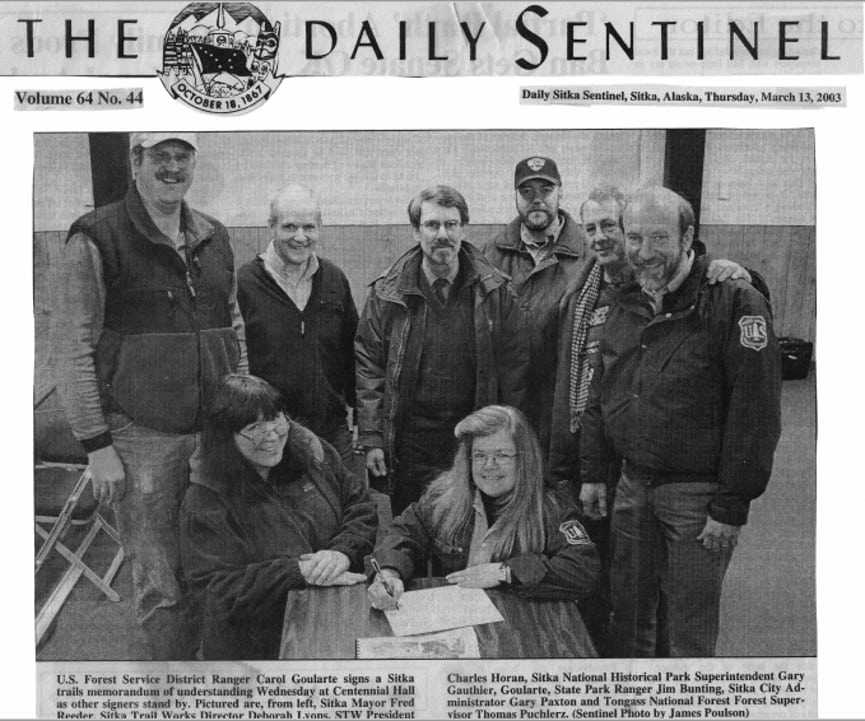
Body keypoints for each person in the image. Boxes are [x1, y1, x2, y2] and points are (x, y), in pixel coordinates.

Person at [51, 132, 247, 660]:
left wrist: (244, 407)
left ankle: (217, 678)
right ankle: (172, 688)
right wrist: (97, 446)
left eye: (182, 155)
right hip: (142, 441)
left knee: (219, 561)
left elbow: (232, 326)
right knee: (161, 580)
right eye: (160, 155)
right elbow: (71, 349)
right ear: (136, 160)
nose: (172, 166)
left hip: (214, 432)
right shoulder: (96, 237)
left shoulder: (214, 235)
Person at [579, 186, 782, 657]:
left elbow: (756, 414)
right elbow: (599, 394)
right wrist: (593, 472)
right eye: (634, 238)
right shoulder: (624, 300)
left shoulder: (733, 300)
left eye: (659, 238)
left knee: (689, 631)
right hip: (633, 487)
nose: (643, 252)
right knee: (629, 621)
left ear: (688, 235)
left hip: (698, 498)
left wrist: (730, 507)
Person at [355, 185, 528, 516]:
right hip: (409, 443)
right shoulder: (387, 294)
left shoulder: (496, 292)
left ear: (464, 228)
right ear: (416, 231)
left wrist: (508, 438)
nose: (442, 235)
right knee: (412, 531)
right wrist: (372, 437)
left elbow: (515, 369)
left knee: (471, 530)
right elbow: (369, 366)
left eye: (451, 224)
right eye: (432, 225)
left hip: (474, 442)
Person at [179, 375, 377, 660]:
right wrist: (297, 572)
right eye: (254, 427)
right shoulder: (205, 500)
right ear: (225, 436)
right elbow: (216, 590)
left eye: (275, 419)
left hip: (335, 613)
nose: (272, 435)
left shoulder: (312, 451)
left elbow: (360, 505)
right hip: (260, 646)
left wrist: (342, 552)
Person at [367, 405, 600, 609]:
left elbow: (584, 569)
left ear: (524, 459)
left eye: (502, 455)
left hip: (518, 625)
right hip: (454, 619)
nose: (489, 466)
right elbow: (401, 533)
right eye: (480, 455)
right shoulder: (444, 497)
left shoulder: (551, 507)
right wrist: (388, 573)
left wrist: (506, 572)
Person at [238, 184, 358, 462]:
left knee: (347, 504)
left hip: (332, 431)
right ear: (271, 226)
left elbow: (354, 352)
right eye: (290, 227)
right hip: (269, 434)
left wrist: (362, 418)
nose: (300, 237)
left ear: (320, 227)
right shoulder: (245, 282)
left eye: (309, 227)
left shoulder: (334, 279)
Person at [482, 156, 589, 458]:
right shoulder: (490, 253)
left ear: (560, 193)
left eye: (546, 190)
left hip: (562, 401)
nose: (537, 200)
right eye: (527, 192)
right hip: (508, 401)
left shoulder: (587, 254)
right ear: (516, 197)